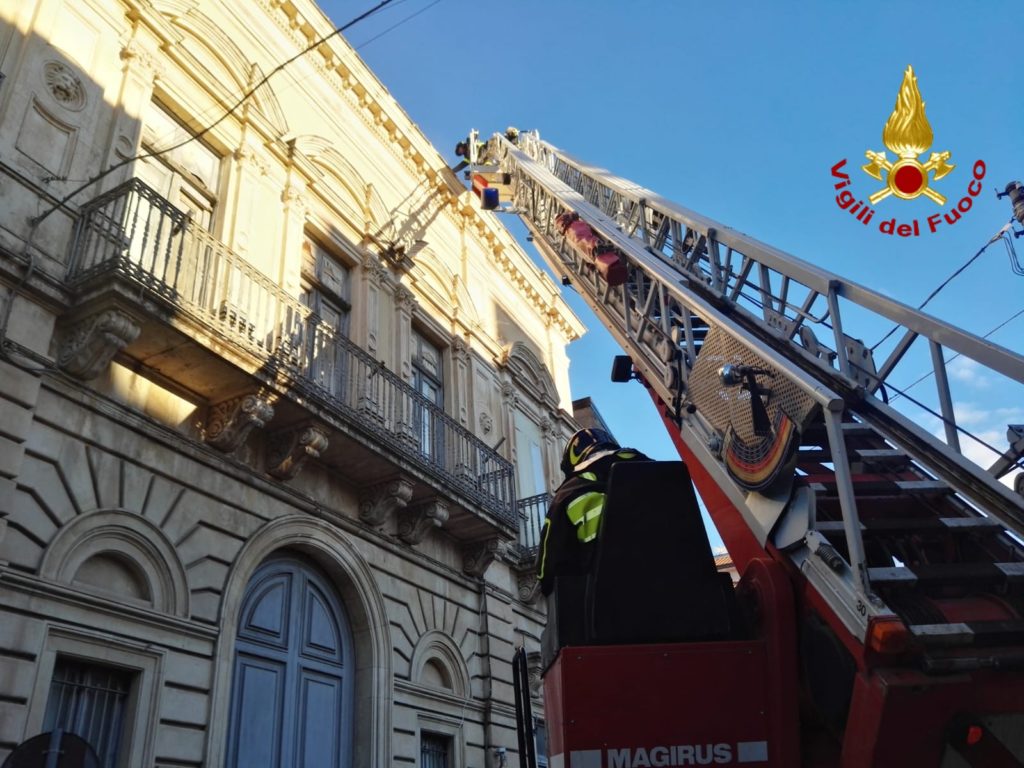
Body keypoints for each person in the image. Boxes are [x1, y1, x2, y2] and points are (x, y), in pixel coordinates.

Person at [537, 428, 650, 654]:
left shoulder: (569, 494)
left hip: (604, 624)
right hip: (682, 613)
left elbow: (547, 572)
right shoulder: (652, 472)